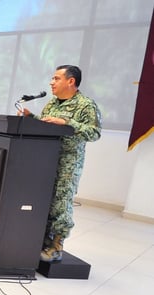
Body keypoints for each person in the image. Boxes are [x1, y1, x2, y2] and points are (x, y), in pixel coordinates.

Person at [20, 65, 102, 262]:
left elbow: (95, 133)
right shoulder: (52, 104)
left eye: (56, 78)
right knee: (43, 200)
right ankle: (39, 240)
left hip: (68, 162)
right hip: (46, 159)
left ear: (70, 81)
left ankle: (56, 246)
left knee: (61, 203)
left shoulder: (86, 105)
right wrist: (31, 118)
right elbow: (46, 124)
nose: (51, 82)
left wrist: (68, 123)